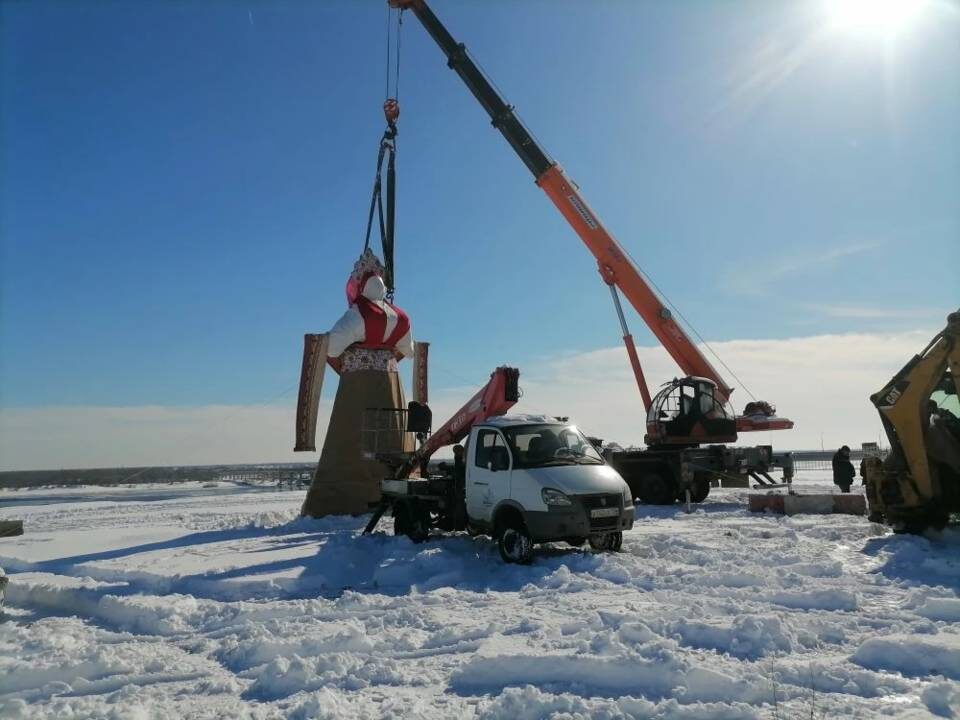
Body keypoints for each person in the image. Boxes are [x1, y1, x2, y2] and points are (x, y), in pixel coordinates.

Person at [301, 249, 414, 518]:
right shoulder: (401, 316)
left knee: (351, 436)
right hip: (390, 383)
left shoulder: (357, 314)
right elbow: (408, 350)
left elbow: (331, 345)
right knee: (392, 436)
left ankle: (340, 501)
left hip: (357, 386)